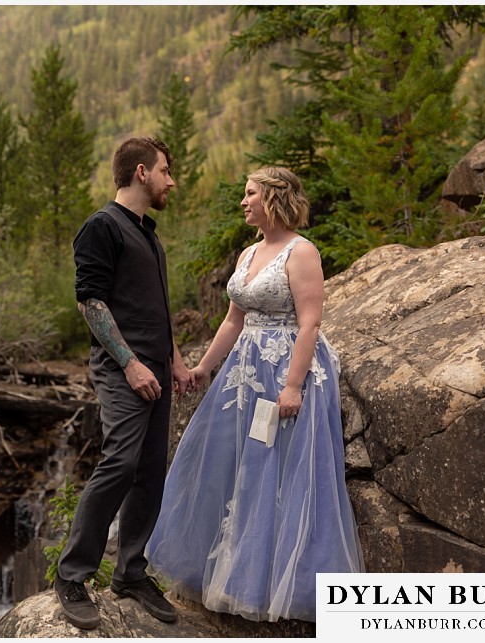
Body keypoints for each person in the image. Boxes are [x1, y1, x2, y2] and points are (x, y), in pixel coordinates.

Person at [146, 167, 365, 622]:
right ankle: (226, 570)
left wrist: (292, 385)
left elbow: (310, 323)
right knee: (229, 461)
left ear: (274, 199)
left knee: (278, 472)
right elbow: (233, 320)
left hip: (287, 369)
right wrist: (205, 367)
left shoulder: (301, 252)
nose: (243, 202)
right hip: (245, 373)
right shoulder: (248, 253)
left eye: (250, 194)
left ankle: (278, 584)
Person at [54, 136, 193, 630]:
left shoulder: (147, 233)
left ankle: (131, 572)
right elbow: (90, 303)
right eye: (165, 171)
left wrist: (174, 360)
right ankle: (71, 575)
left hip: (156, 368)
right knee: (121, 461)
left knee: (151, 470)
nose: (171, 181)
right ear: (140, 172)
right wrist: (132, 364)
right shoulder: (101, 227)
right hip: (122, 369)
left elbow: (156, 308)